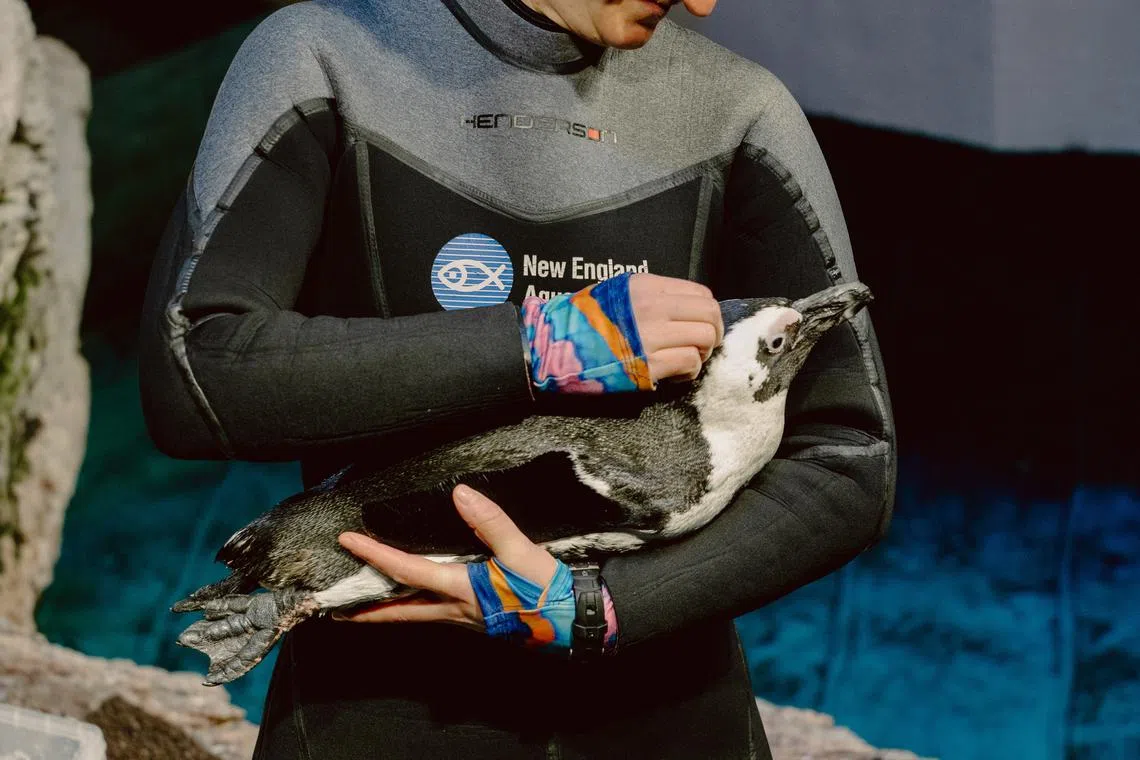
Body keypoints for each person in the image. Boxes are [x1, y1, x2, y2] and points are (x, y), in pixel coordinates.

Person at [139, 0, 896, 757]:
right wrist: (540, 347)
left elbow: (850, 459)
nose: (702, 3)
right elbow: (197, 373)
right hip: (374, 715)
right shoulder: (326, 57)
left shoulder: (739, 109)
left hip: (674, 722)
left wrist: (597, 607)